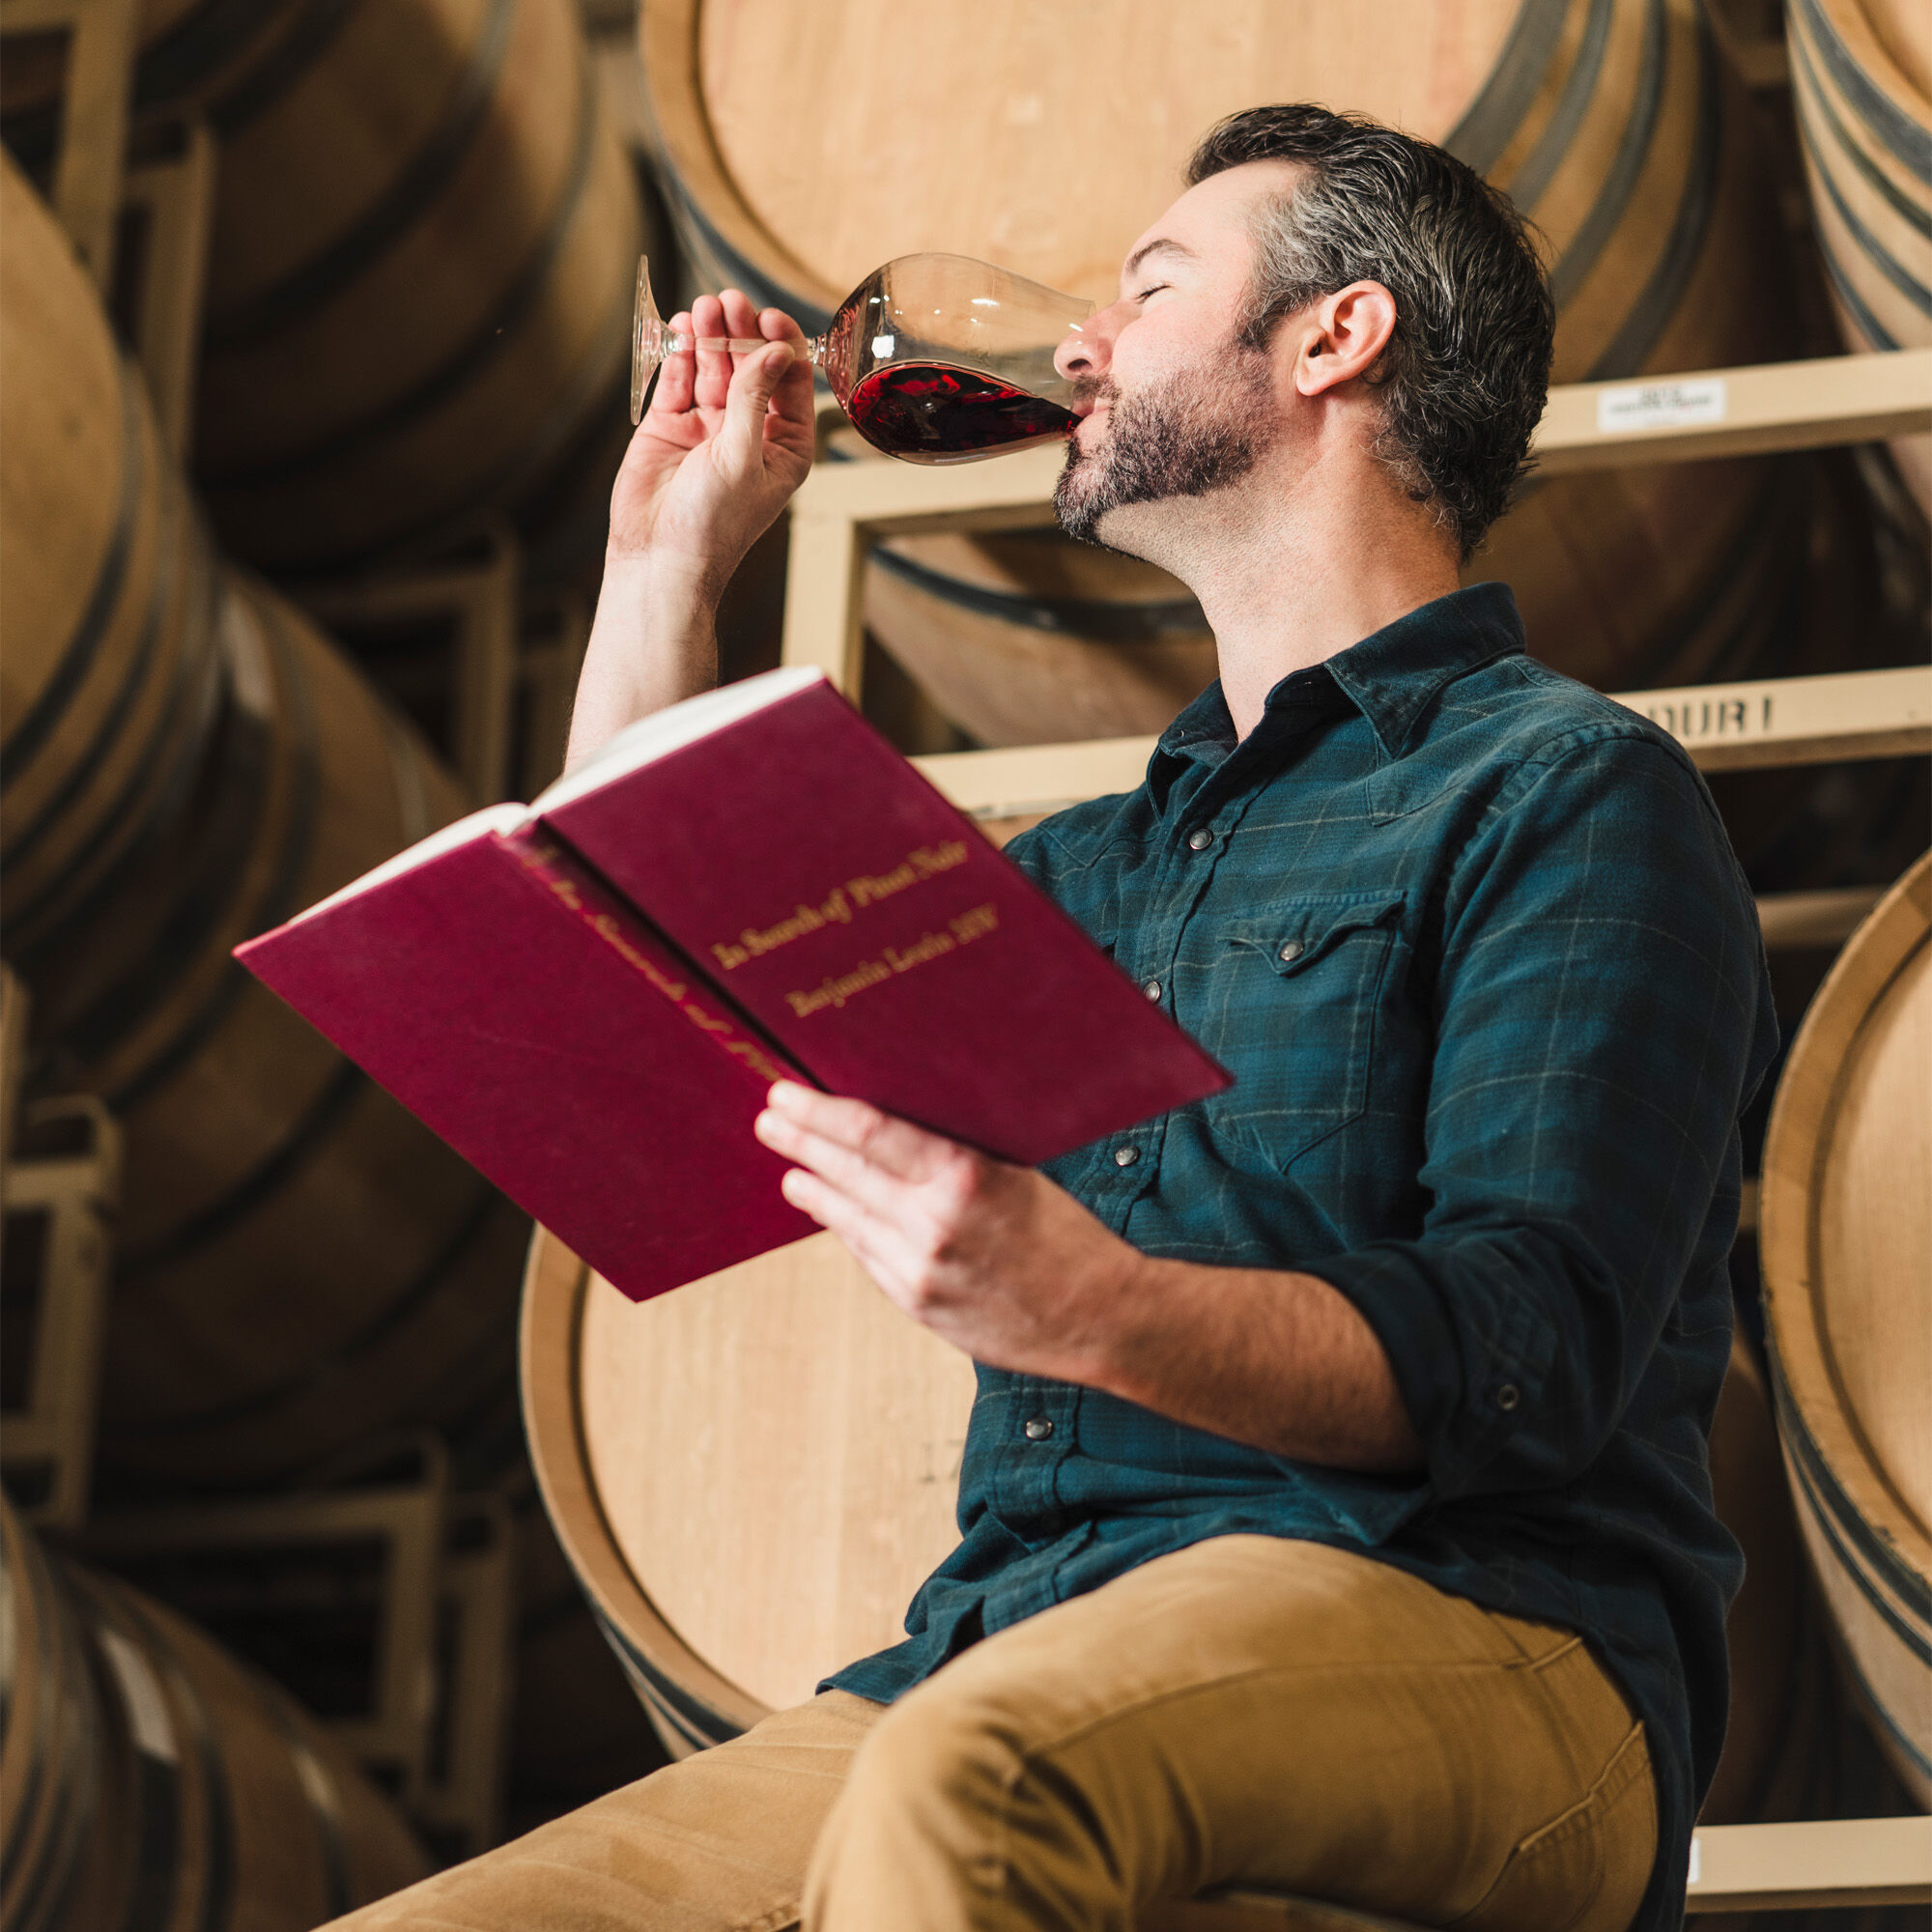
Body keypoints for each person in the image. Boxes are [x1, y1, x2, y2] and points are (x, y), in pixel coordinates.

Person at [332, 104, 1776, 1932]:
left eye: (1147, 289)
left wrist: (1084, 1301)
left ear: (1338, 338)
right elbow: (658, 989)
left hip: (1479, 1625)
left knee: (976, 1786)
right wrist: (672, 560)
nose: (1078, 345)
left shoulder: (1566, 793)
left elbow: (1528, 1353)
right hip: (1014, 1633)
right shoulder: (1082, 868)